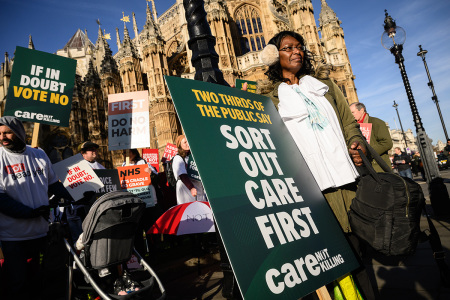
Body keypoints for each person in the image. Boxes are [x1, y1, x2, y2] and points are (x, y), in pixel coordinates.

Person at [259, 31, 377, 299]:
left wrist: (356, 144)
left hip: (348, 186)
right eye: (288, 48)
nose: (296, 51)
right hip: (309, 195)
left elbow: (349, 123)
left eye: (299, 47)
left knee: (360, 259)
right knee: (327, 265)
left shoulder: (324, 85)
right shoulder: (269, 98)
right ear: (273, 55)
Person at [0, 116, 71, 299]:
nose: (3, 137)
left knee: (41, 281)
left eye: (7, 132)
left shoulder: (39, 154)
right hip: (13, 236)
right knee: (18, 284)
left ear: (19, 132)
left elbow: (54, 185)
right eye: (0, 133)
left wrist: (75, 195)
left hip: (41, 232)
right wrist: (29, 213)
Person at [350, 102, 393, 172]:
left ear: (361, 110)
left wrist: (367, 153)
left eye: (353, 112)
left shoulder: (377, 122)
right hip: (362, 169)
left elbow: (387, 143)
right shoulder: (353, 127)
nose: (351, 115)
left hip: (378, 167)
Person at [172, 135, 207, 204]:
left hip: (198, 187)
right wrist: (191, 187)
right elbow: (182, 175)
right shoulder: (178, 158)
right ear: (180, 145)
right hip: (186, 189)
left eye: (188, 141)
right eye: (185, 142)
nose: (187, 144)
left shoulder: (193, 156)